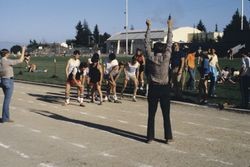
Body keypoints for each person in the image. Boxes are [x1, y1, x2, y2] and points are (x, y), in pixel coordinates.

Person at [144, 17, 173, 144]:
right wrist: (169, 26)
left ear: (155, 50)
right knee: (166, 115)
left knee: (151, 115)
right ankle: (168, 137)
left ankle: (150, 137)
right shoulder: (166, 58)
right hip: (165, 88)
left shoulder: (151, 57)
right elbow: (170, 43)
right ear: (163, 50)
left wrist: (148, 27)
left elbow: (146, 43)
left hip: (153, 88)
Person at [0, 47, 25, 123]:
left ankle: (6, 117)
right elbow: (21, 60)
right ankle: (5, 118)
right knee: (7, 101)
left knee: (6, 99)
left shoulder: (0, 61)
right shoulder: (7, 61)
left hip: (3, 80)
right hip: (8, 81)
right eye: (8, 53)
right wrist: (23, 50)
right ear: (6, 54)